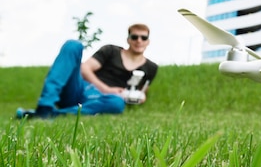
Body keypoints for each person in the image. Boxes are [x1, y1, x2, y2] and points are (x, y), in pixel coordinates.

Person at [16, 23, 158, 119]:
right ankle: (45, 106)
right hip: (80, 88)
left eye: (143, 37)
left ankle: (52, 114)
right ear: (128, 39)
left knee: (117, 104)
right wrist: (106, 88)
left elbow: (142, 90)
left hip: (103, 100)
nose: (139, 40)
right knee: (73, 45)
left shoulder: (151, 67)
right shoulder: (111, 51)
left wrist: (140, 97)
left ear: (148, 41)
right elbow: (85, 69)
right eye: (135, 37)